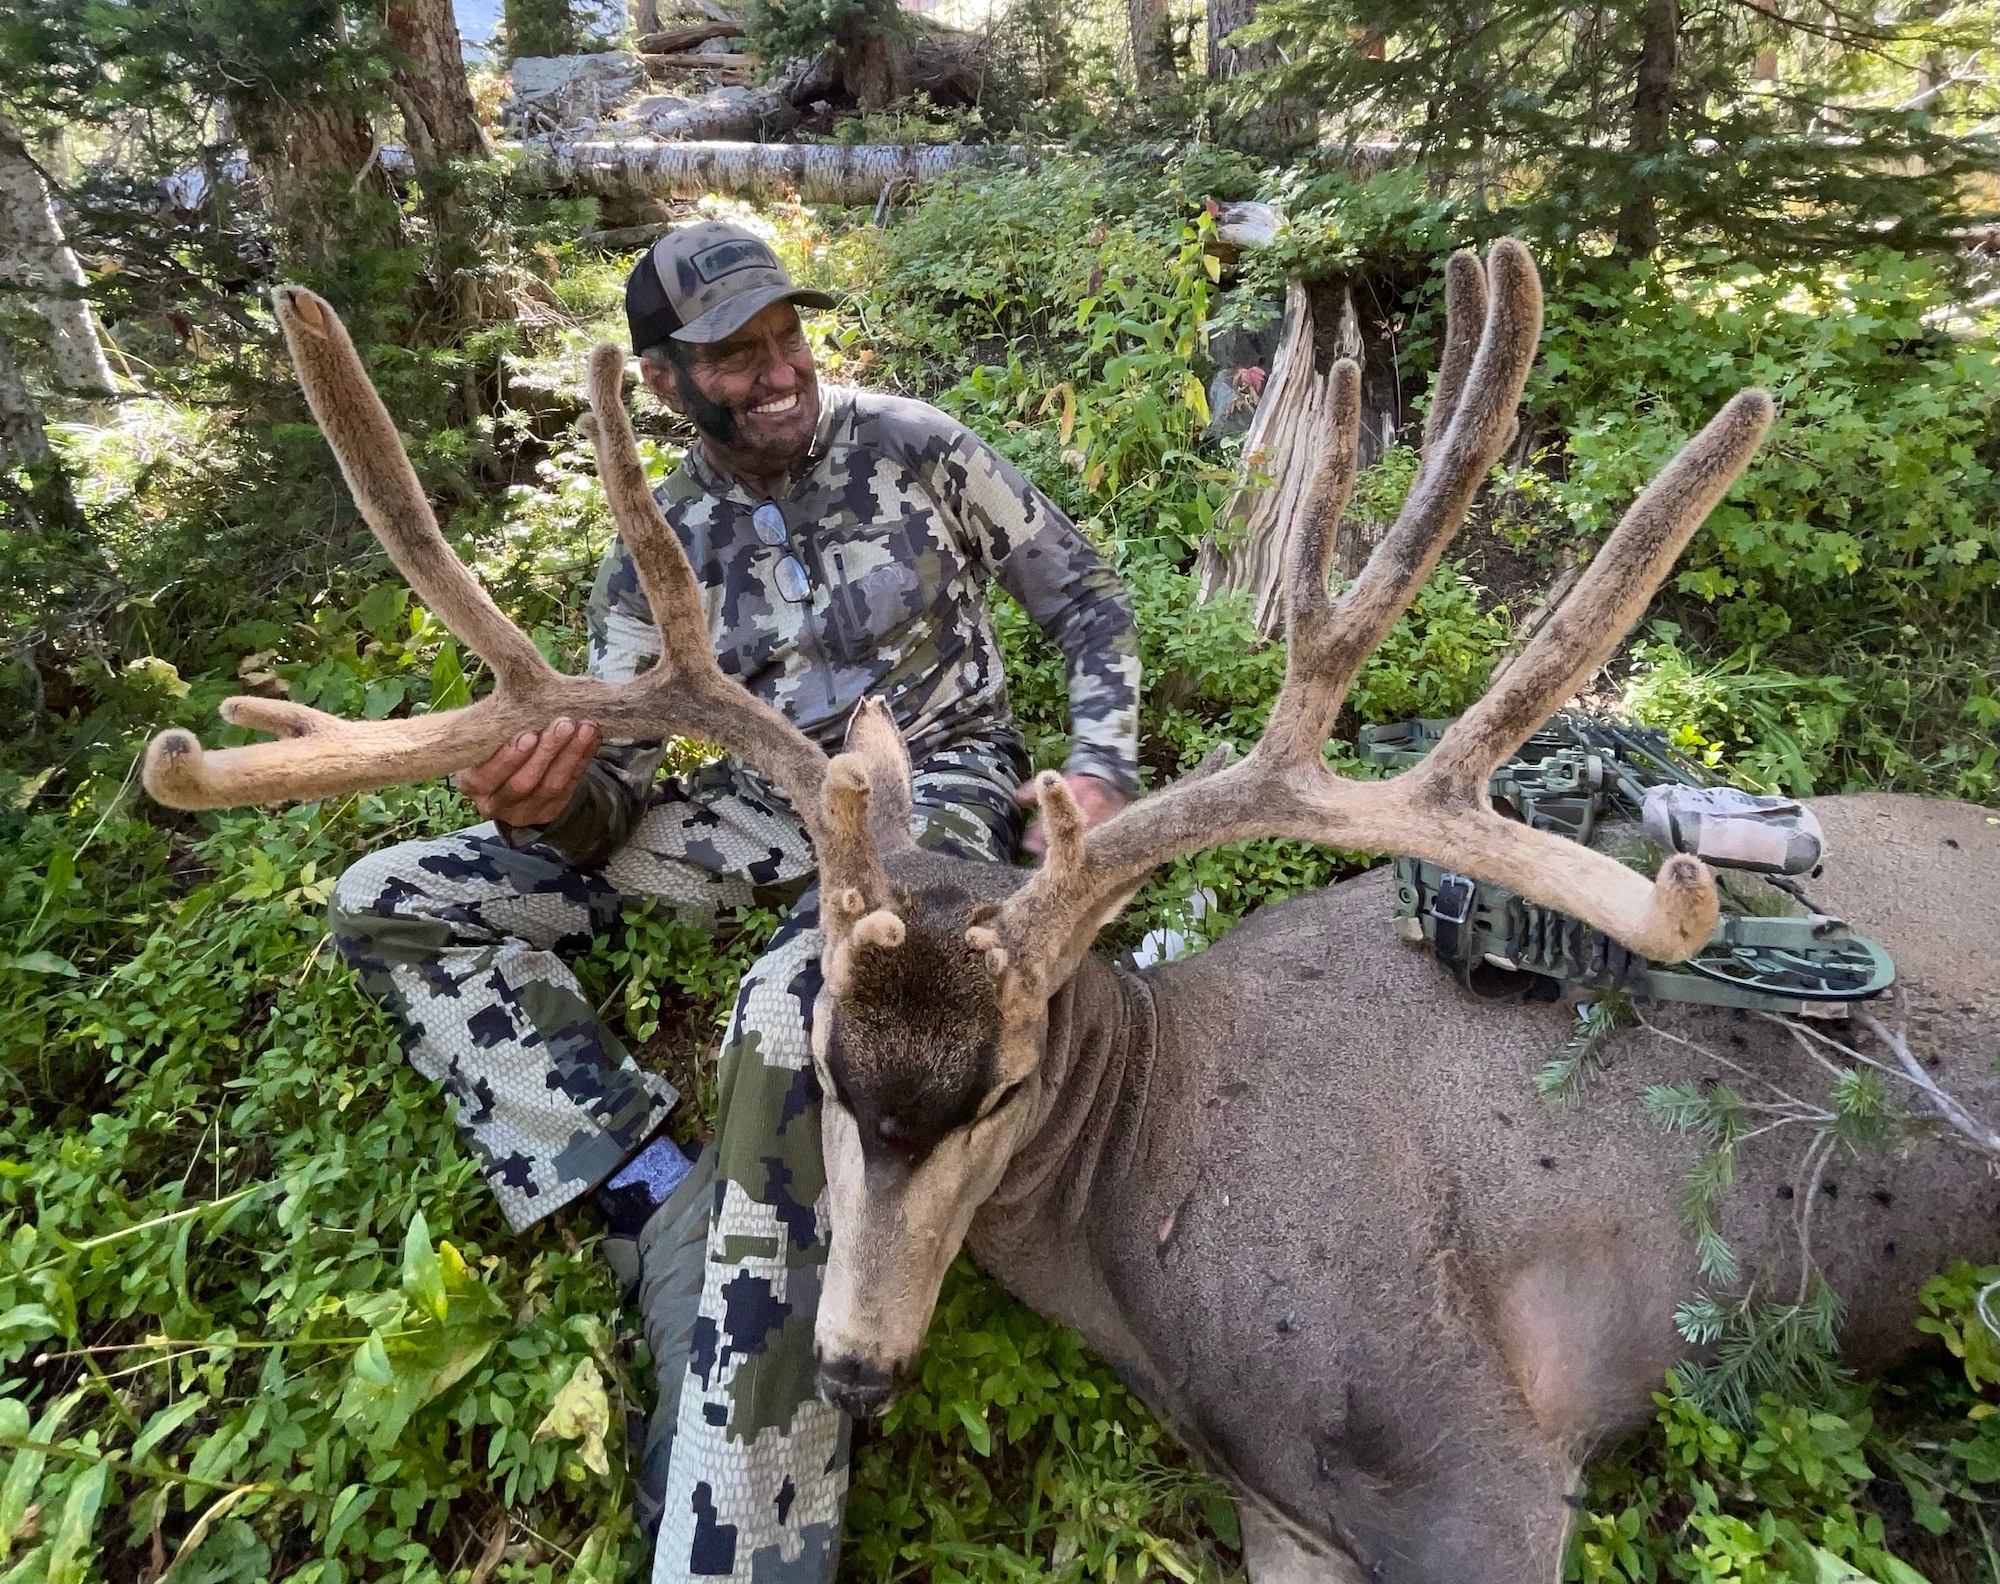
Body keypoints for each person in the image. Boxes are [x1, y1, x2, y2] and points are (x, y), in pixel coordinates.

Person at [328, 219, 1142, 1583]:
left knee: (799, 1003)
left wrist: (1105, 766)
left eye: (785, 339)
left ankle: (750, 1517)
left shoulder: (921, 447)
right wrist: (549, 803)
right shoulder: (659, 544)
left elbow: (1094, 603)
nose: (778, 373)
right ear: (664, 382)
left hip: (932, 795)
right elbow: (621, 796)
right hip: (753, 820)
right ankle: (648, 1190)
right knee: (391, 893)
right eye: (734, 357)